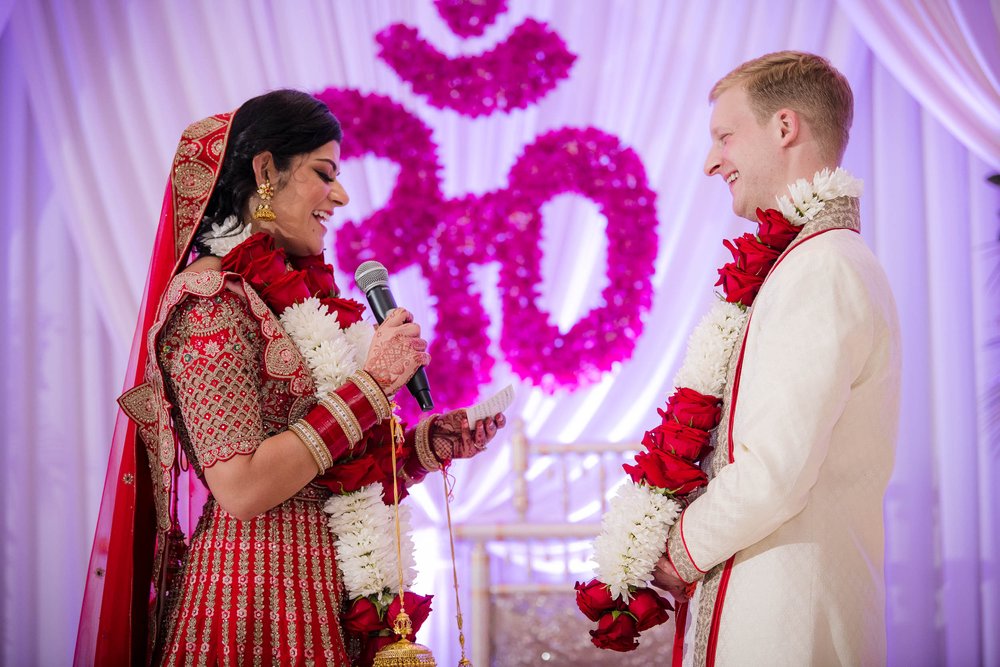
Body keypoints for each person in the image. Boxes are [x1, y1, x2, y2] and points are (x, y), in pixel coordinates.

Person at [74, 89, 505, 666]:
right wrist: (372, 387)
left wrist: (425, 448)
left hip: (333, 601)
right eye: (323, 173)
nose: (341, 194)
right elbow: (243, 487)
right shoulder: (211, 303)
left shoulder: (292, 298)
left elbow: (331, 471)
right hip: (253, 606)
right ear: (263, 171)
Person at [651, 52, 901, 666]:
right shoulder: (805, 263)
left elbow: (776, 471)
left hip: (787, 616)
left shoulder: (821, 269)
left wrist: (676, 551)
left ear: (785, 127)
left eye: (724, 136)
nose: (712, 161)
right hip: (776, 596)